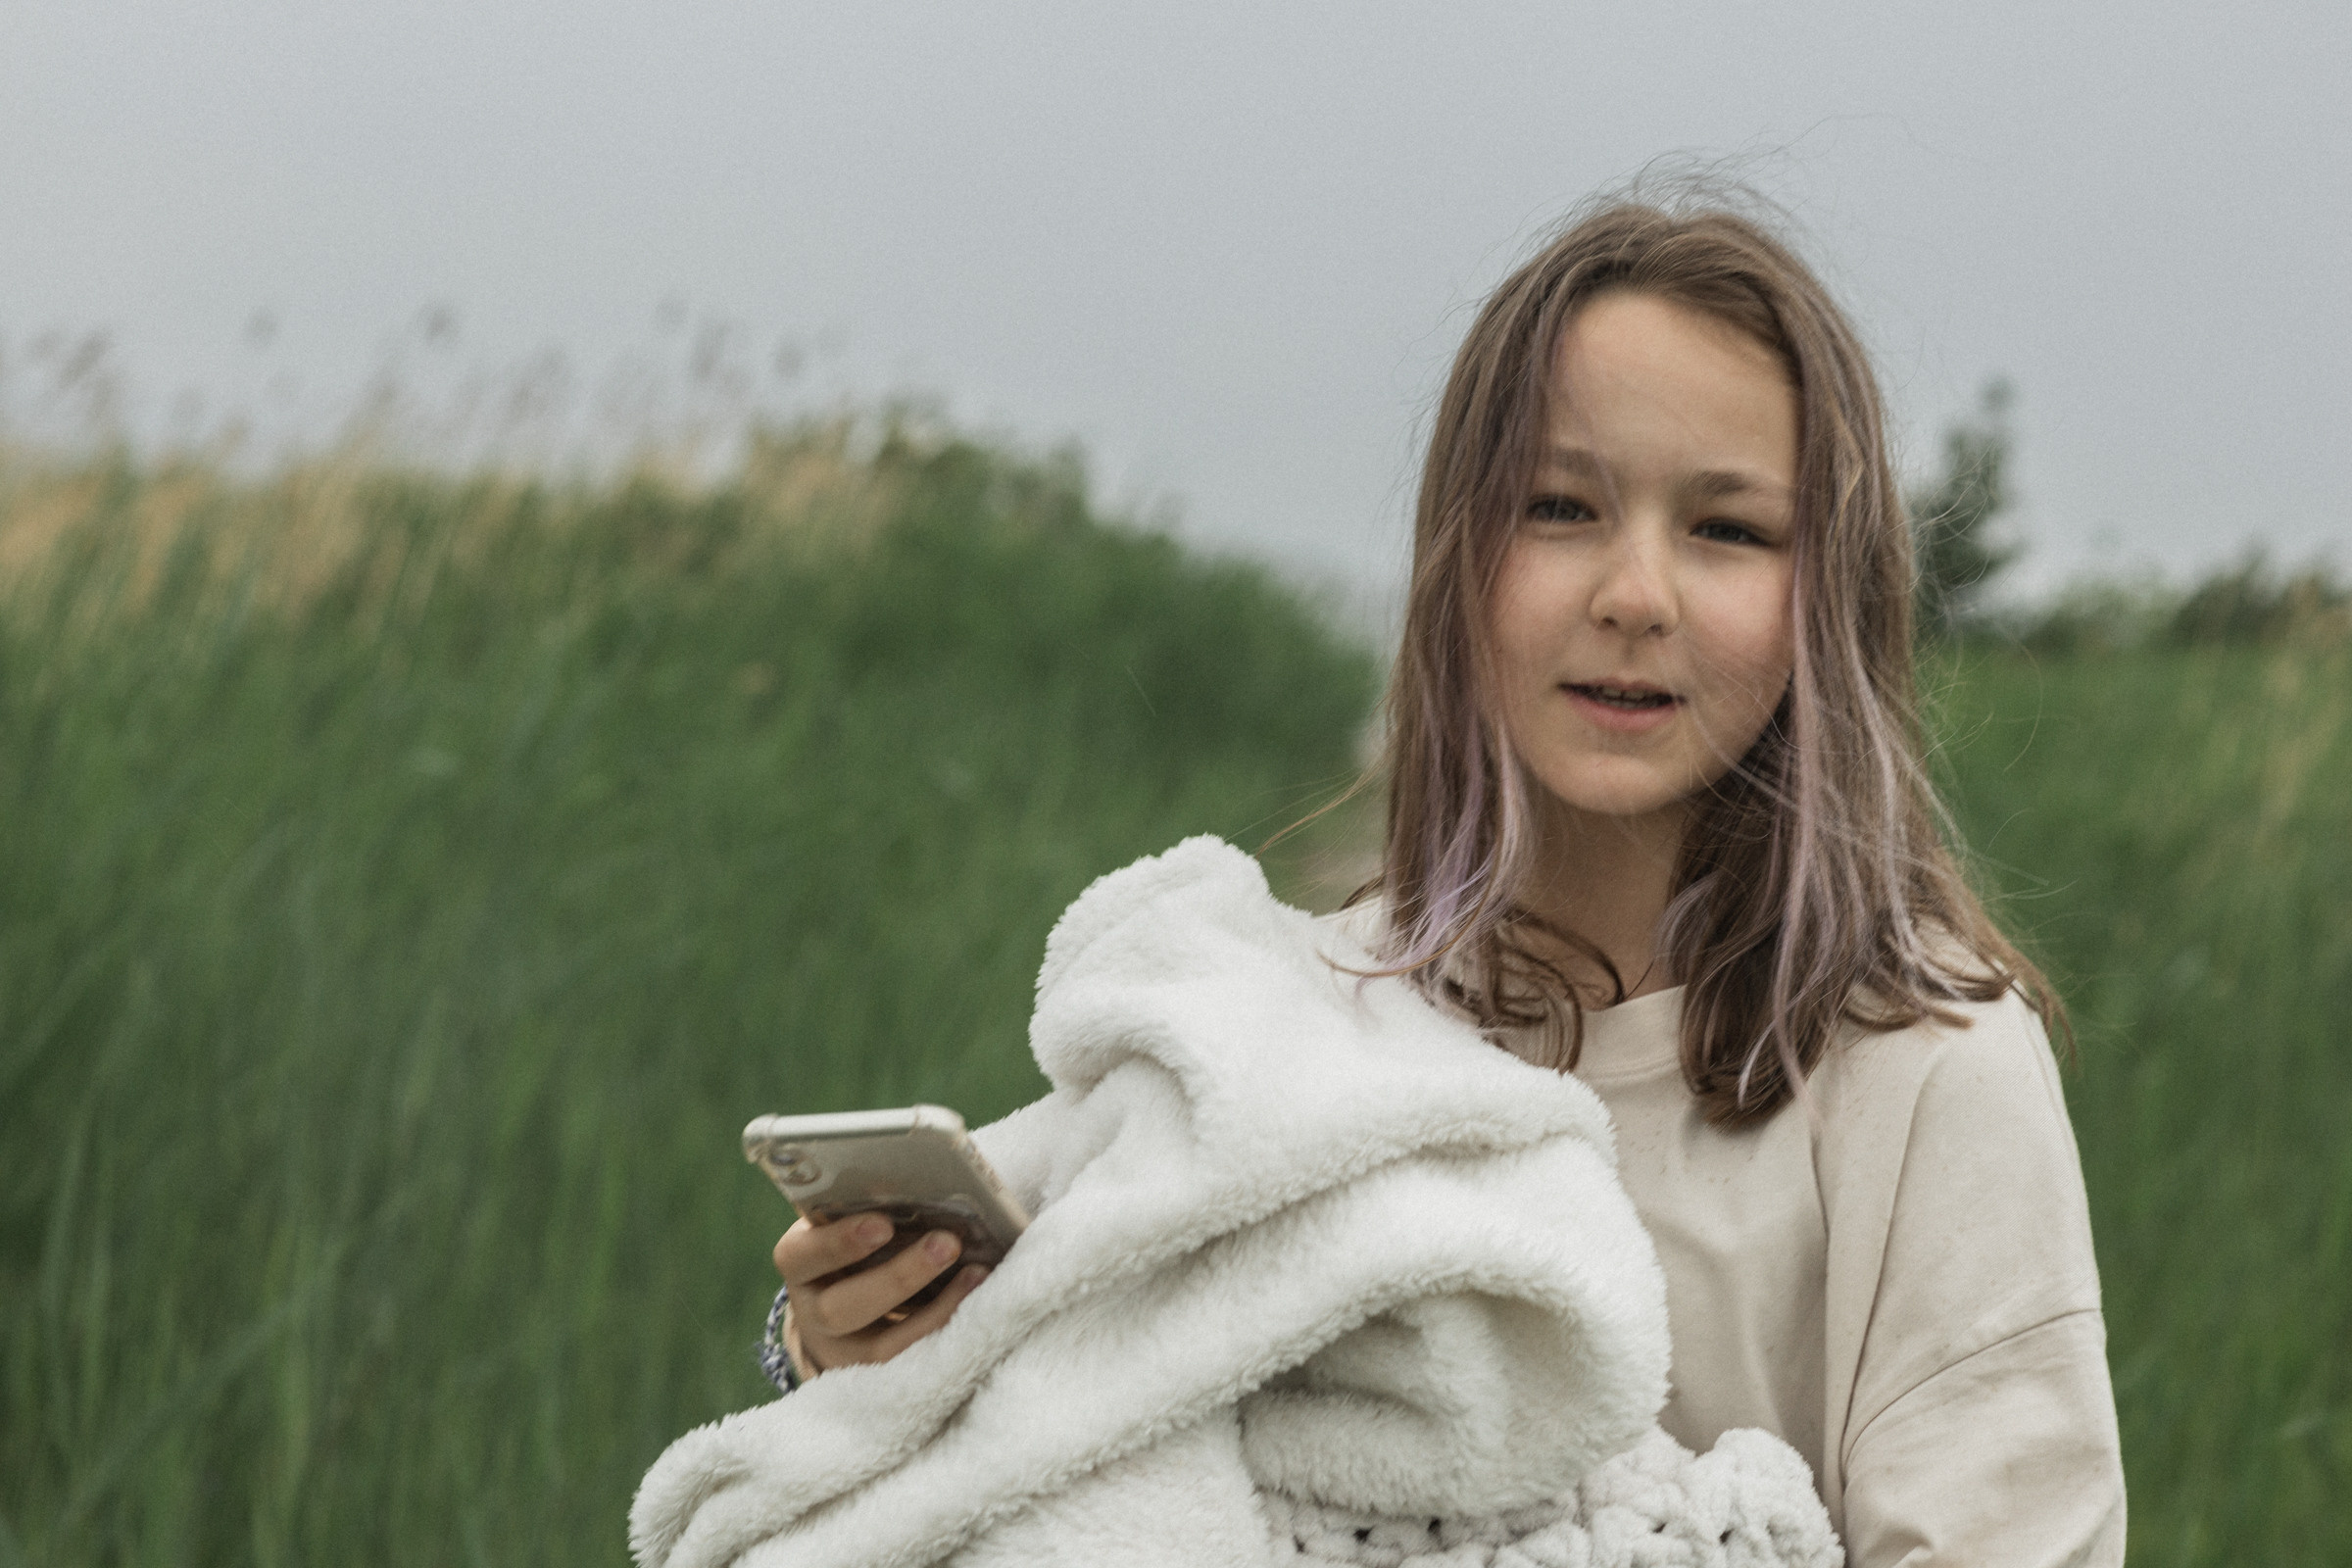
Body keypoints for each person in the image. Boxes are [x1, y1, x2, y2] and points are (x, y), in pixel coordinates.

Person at [766, 198, 2127, 1566]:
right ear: (1457, 560)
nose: (1635, 592)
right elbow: (1117, 1403)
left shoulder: (1926, 1064)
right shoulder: (1313, 1014)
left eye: (1726, 529)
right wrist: (855, 1352)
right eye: (1560, 507)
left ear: (1824, 596)